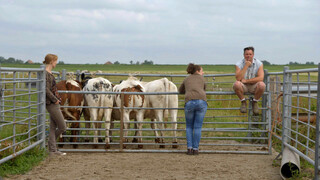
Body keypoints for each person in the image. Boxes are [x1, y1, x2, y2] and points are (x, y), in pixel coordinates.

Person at [179, 63, 207, 155]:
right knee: (198, 127)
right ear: (198, 71)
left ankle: (189, 148)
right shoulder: (202, 79)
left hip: (189, 102)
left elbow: (180, 91)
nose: (203, 72)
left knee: (189, 127)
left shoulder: (186, 79)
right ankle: (196, 149)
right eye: (202, 70)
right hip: (201, 102)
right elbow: (204, 88)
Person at [43, 54, 67, 156]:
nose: (56, 63)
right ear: (52, 61)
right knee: (62, 126)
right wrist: (55, 99)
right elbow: (46, 89)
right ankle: (51, 145)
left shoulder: (49, 73)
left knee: (53, 127)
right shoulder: (46, 74)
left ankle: (52, 150)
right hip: (51, 103)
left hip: (53, 102)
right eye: (56, 61)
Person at [233, 46, 266, 115]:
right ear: (243, 55)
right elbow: (238, 78)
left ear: (253, 55)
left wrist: (246, 81)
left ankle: (255, 102)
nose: (248, 56)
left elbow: (261, 78)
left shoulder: (259, 63)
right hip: (243, 86)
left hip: (254, 85)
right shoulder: (238, 64)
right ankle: (243, 101)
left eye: (250, 54)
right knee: (236, 84)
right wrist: (246, 66)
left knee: (262, 85)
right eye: (246, 54)